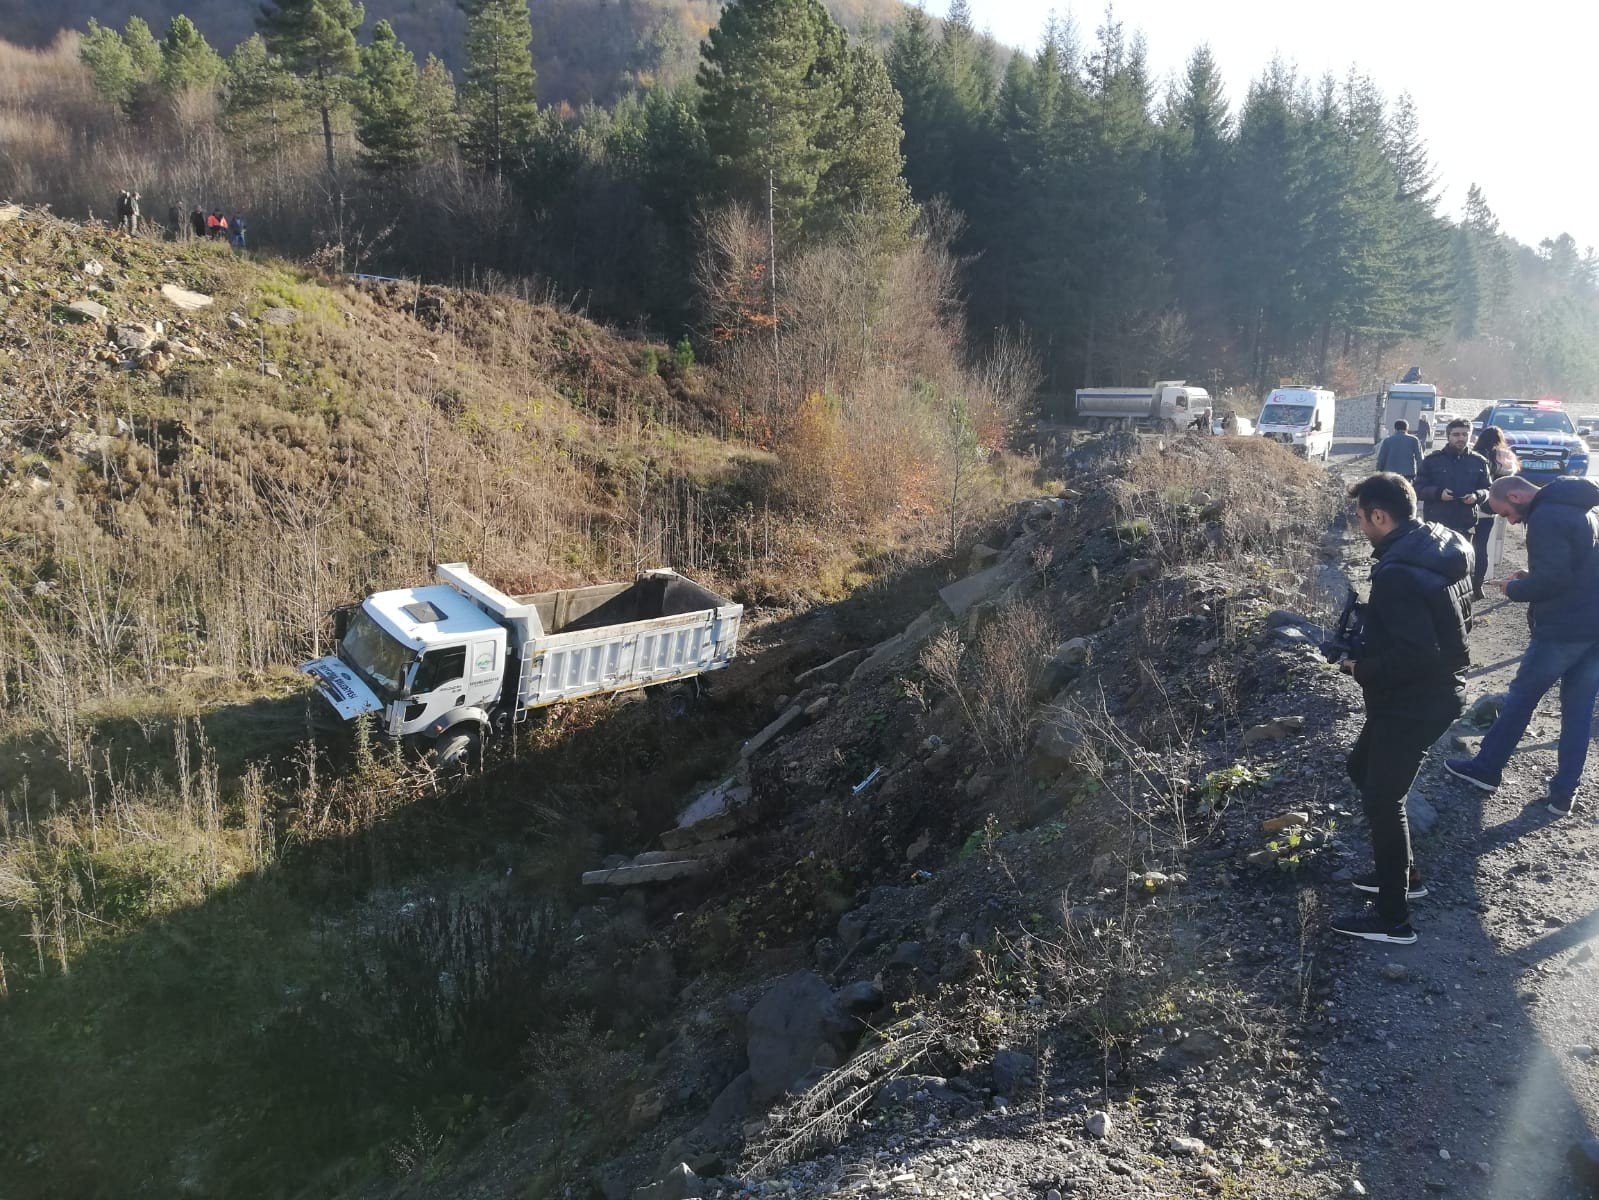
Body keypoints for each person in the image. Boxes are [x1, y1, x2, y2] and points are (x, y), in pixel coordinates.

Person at [1332, 472, 1473, 945]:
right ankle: (1403, 875)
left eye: (1360, 518)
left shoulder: (1396, 572)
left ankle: (1394, 919)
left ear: (1379, 515)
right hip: (1429, 693)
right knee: (1361, 767)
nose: (1359, 526)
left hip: (1416, 700)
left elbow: (1417, 654)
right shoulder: (1435, 541)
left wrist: (1359, 666)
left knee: (1383, 798)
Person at [1446, 474, 1599, 816]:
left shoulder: (1545, 516)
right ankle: (1563, 795)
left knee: (1521, 698)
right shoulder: (1580, 509)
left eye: (1506, 514)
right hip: (1593, 625)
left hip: (1563, 628)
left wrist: (1514, 590)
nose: (1510, 521)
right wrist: (1530, 577)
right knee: (1578, 711)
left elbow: (1554, 579)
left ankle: (1485, 769)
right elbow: (1573, 569)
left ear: (1516, 495)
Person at [1414, 418, 1492, 538]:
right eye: (1456, 434)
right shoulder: (1432, 461)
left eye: (1465, 434)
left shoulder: (1479, 462)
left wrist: (1476, 496)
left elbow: (1488, 489)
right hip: (1436, 526)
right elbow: (1418, 488)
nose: (1461, 438)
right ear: (1448, 436)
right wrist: (1438, 493)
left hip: (1465, 525)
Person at [1469, 426, 1520, 600]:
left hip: (1470, 504)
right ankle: (1478, 585)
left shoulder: (1474, 455)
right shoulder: (1504, 456)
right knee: (1481, 548)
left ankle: (1463, 581)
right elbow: (1512, 476)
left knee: (1464, 544)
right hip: (1491, 508)